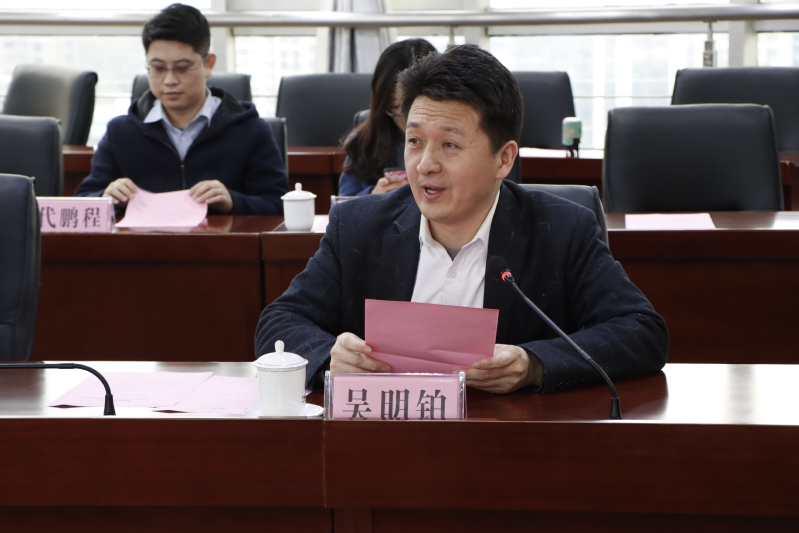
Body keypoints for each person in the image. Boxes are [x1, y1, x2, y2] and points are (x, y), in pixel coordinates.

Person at [256, 45, 668, 394]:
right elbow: (278, 322)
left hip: (507, 444)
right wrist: (331, 357)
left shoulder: (561, 231)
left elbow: (642, 331)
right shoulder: (358, 227)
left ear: (503, 159)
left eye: (449, 145)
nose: (425, 164)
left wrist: (534, 363)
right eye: (414, 141)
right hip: (386, 443)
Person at [75, 3, 288, 215]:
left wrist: (233, 201)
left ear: (208, 64)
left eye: (182, 68)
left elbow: (279, 206)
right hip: (145, 238)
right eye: (158, 68)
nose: (169, 80)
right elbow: (83, 202)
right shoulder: (120, 132)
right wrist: (105, 197)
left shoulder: (250, 130)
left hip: (222, 238)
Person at [338, 39, 437, 197]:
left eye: (414, 107)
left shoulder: (460, 141)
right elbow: (343, 204)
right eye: (396, 108)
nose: (408, 120)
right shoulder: (364, 144)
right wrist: (373, 196)